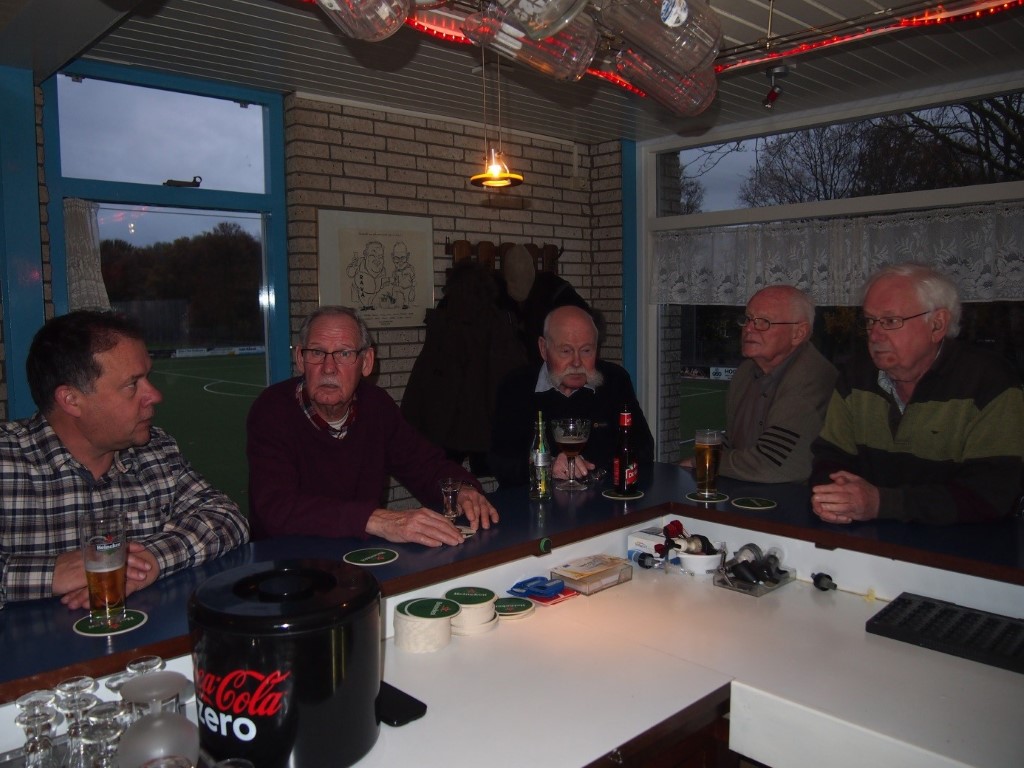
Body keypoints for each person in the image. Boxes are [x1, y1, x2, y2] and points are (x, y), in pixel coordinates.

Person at [0, 310, 249, 610]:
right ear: (71, 400)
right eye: (133, 384)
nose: (154, 395)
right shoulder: (8, 461)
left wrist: (148, 559)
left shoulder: (156, 451)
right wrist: (51, 573)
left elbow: (226, 518)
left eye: (148, 378)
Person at [246, 306, 499, 546]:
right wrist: (375, 519)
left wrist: (461, 489)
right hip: (286, 561)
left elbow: (422, 464)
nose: (328, 368)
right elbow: (276, 508)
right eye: (317, 353)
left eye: (344, 353)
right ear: (300, 359)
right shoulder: (272, 410)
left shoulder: (376, 405)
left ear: (366, 362)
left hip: (357, 555)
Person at [810, 263, 1024, 524]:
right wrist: (834, 497)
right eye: (869, 321)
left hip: (966, 543)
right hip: (866, 537)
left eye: (890, 321)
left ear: (937, 325)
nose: (874, 335)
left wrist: (881, 503)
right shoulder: (856, 376)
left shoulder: (989, 382)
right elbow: (829, 458)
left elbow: (991, 493)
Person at [681, 285, 837, 483]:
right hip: (749, 493)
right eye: (748, 319)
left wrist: (703, 460)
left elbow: (771, 465)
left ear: (798, 333)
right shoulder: (746, 372)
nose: (748, 329)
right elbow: (735, 444)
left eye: (764, 322)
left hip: (802, 497)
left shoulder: (812, 378)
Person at [490, 305, 654, 485]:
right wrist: (548, 465)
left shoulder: (615, 381)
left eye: (586, 350)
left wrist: (591, 467)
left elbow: (644, 448)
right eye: (566, 351)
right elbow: (500, 464)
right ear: (543, 349)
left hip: (601, 496)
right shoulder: (516, 386)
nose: (576, 362)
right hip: (536, 498)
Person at [401, 260, 527, 476]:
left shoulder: (443, 323)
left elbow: (423, 378)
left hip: (446, 427)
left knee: (441, 481)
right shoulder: (499, 323)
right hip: (486, 427)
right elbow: (512, 374)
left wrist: (410, 424)